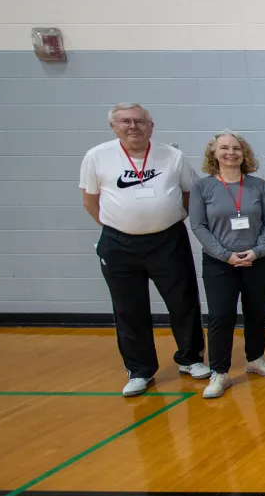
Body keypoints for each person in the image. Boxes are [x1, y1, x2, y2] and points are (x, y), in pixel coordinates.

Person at [81, 103, 206, 397]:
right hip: (119, 244)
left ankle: (191, 359)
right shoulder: (97, 156)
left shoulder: (172, 156)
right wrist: (119, 225)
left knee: (183, 301)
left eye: (139, 121)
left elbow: (190, 193)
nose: (133, 127)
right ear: (114, 126)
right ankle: (139, 370)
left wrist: (164, 217)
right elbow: (89, 200)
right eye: (125, 121)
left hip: (168, 240)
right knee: (128, 308)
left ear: (151, 126)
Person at [189, 131, 265, 399]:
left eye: (237, 148)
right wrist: (225, 255)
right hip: (219, 263)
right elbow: (198, 225)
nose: (231, 153)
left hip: (258, 259)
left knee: (256, 311)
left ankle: (255, 358)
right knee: (220, 316)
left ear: (244, 154)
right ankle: (220, 372)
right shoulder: (202, 187)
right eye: (225, 148)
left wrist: (258, 250)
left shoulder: (257, 185)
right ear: (214, 154)